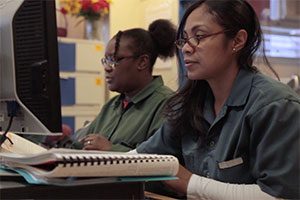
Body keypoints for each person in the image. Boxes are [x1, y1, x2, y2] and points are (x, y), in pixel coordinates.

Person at [134, 0, 300, 199]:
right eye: (184, 39)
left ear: (237, 41)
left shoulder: (275, 105)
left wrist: (190, 183)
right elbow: (142, 157)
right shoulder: (189, 103)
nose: (186, 48)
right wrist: (92, 163)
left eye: (199, 36)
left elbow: (278, 195)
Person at [57, 19, 177, 152]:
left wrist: (111, 149)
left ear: (142, 62)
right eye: (106, 61)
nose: (107, 68)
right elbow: (81, 142)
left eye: (114, 60)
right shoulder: (113, 105)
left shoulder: (168, 103)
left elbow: (162, 160)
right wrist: (62, 139)